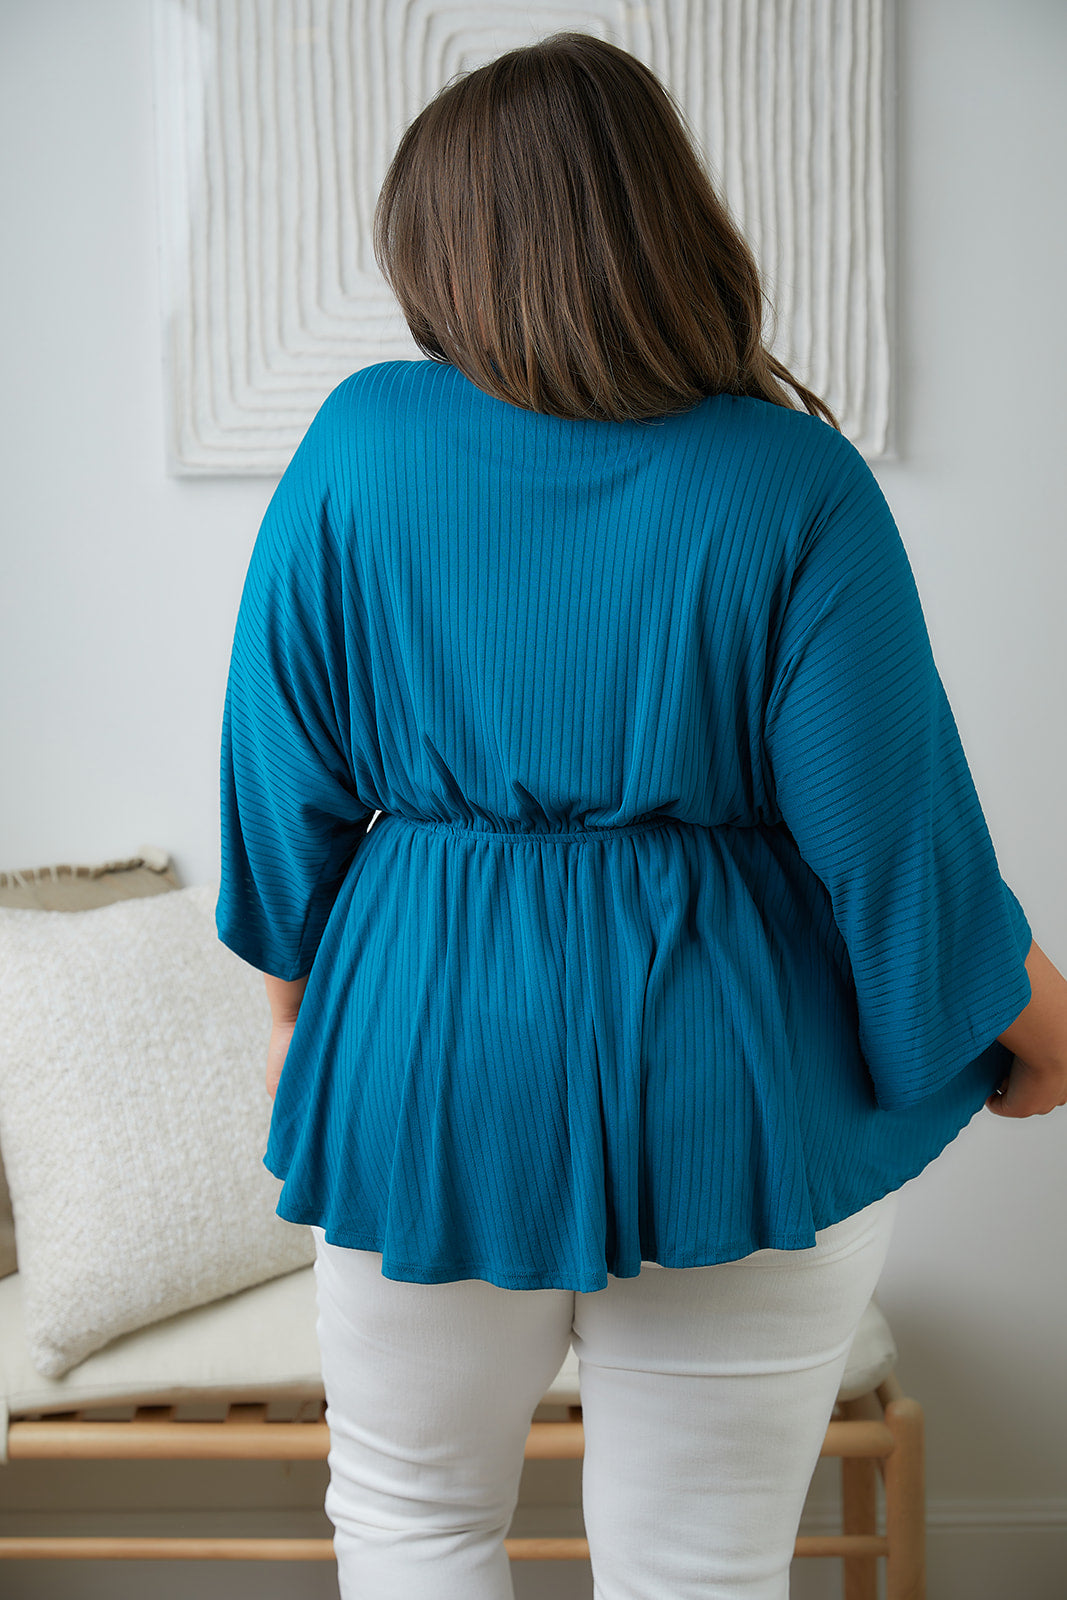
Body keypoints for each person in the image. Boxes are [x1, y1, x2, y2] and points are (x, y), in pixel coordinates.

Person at [215, 31, 1067, 1600]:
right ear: (672, 225)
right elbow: (899, 845)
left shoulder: (358, 443)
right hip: (731, 1073)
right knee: (701, 1572)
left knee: (411, 1528)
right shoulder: (793, 480)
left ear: (438, 253)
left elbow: (279, 786)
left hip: (421, 1052)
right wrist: (1046, 1036)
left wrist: (294, 1022)